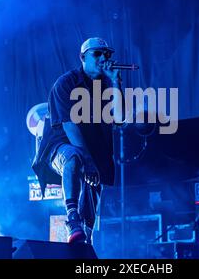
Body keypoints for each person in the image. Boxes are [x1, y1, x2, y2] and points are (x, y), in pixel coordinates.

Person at [32, 37, 123, 244]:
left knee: (95, 182)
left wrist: (116, 82)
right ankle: (72, 218)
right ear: (82, 57)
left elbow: (119, 117)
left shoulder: (107, 85)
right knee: (74, 156)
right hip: (60, 146)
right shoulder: (66, 83)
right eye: (97, 54)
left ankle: (85, 238)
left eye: (106, 54)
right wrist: (88, 161)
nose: (103, 58)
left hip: (92, 150)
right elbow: (69, 125)